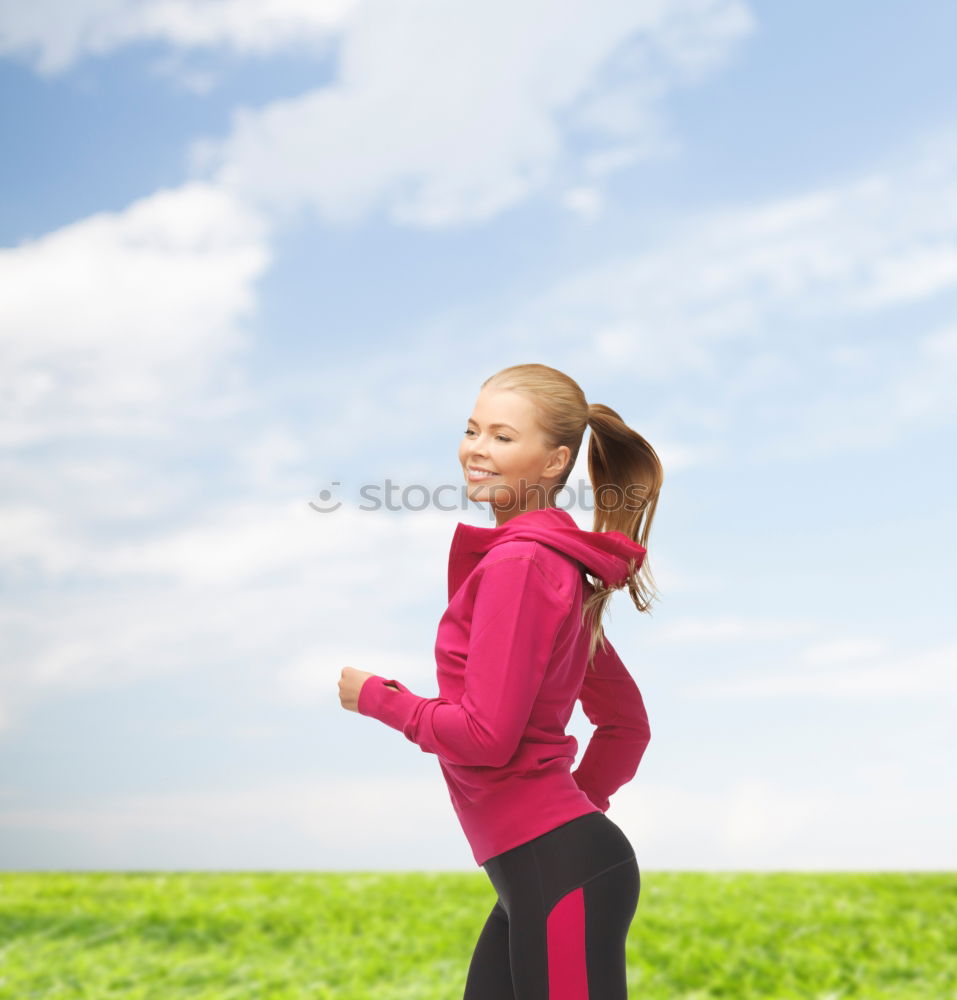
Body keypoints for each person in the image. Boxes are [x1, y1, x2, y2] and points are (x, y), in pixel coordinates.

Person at [338, 362, 663, 999]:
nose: (477, 450)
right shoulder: (554, 568)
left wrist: (379, 698)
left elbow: (486, 736)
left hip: (558, 867)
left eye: (503, 437)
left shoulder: (521, 566)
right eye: (472, 429)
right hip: (546, 870)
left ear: (554, 462)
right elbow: (626, 727)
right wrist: (571, 808)